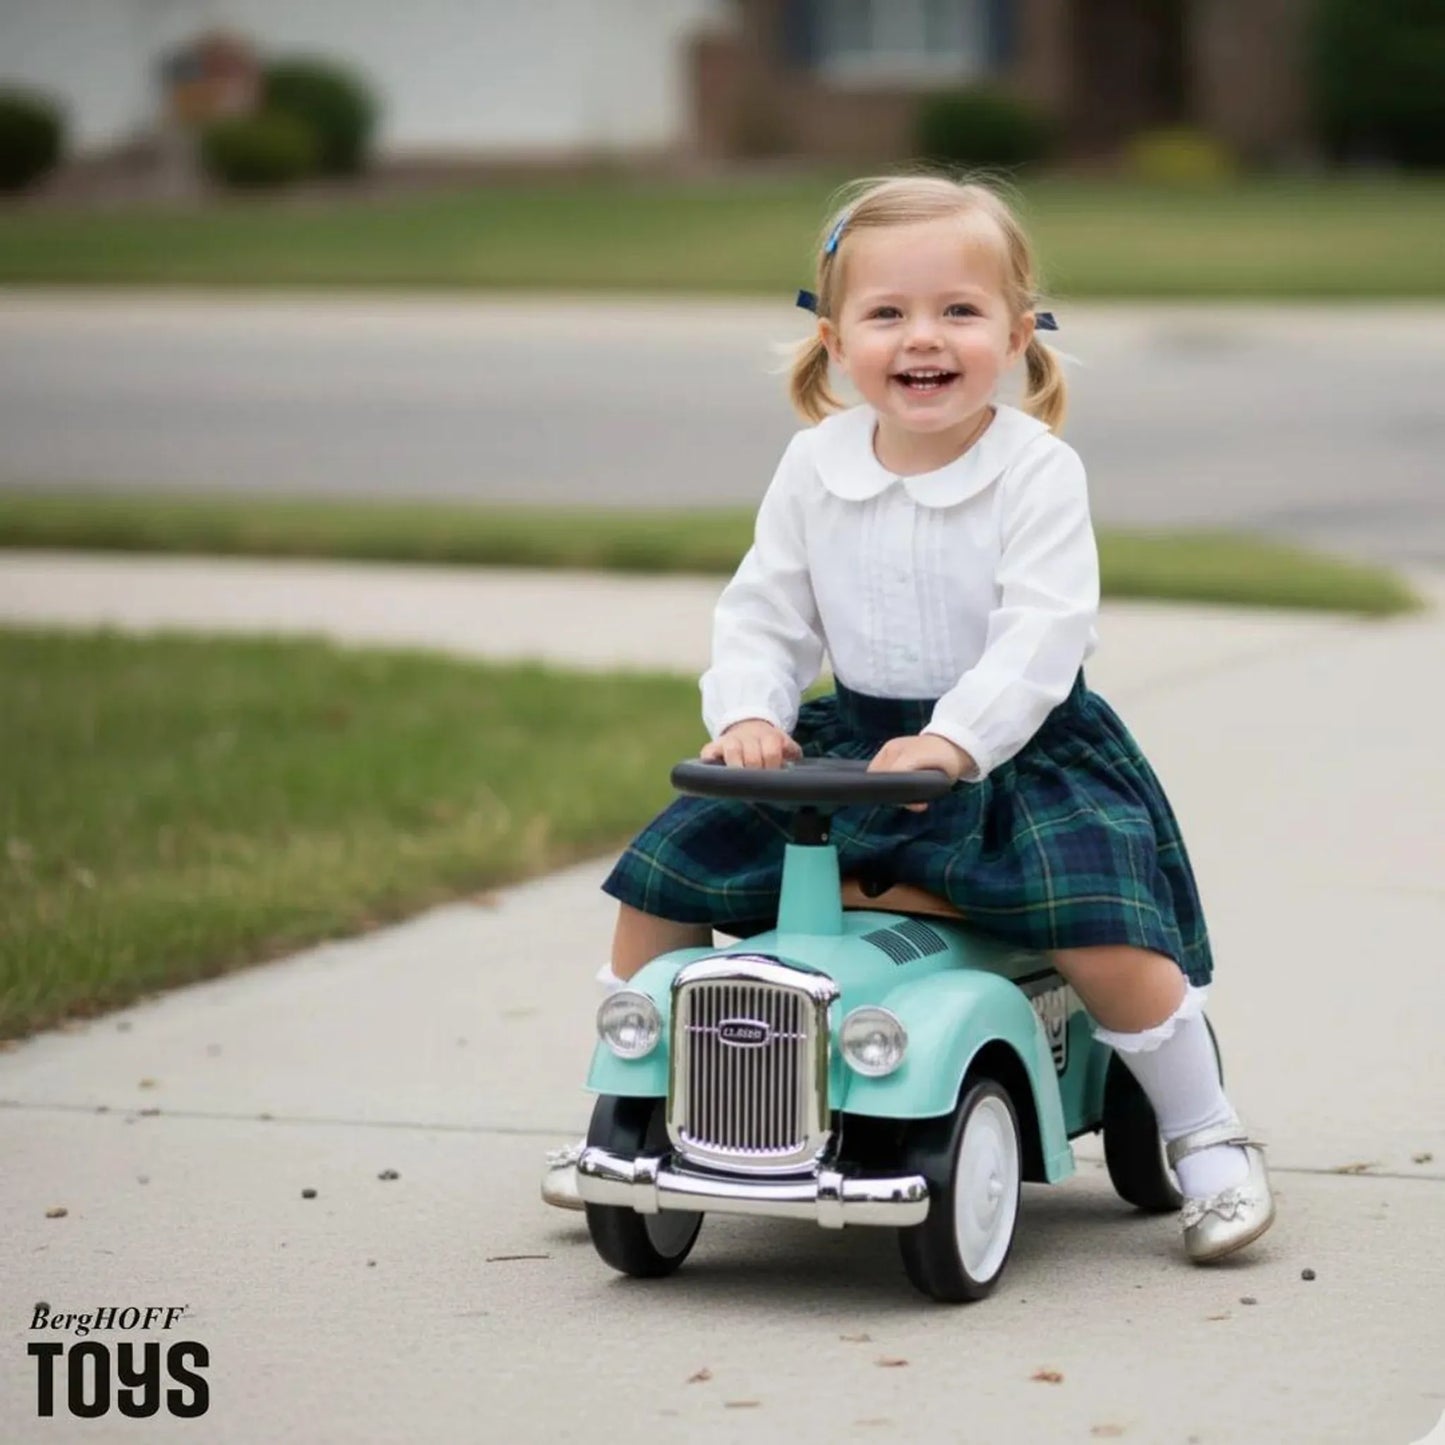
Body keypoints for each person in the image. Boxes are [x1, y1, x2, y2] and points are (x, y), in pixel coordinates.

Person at [544, 173, 1274, 1264]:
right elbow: (765, 608)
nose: (921, 338)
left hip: (1017, 752)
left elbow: (1042, 631)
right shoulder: (813, 466)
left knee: (1097, 934)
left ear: (1018, 334)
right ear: (835, 337)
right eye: (887, 313)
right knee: (659, 880)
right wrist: (749, 709)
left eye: (958, 312)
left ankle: (1203, 1133)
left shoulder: (1033, 471)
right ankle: (635, 1098)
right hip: (851, 752)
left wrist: (955, 738)